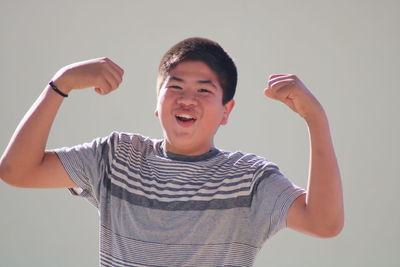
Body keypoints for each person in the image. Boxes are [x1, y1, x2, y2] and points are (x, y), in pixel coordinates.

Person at [0, 37, 344, 267]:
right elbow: (17, 171)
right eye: (175, 86)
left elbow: (324, 223)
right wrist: (60, 84)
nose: (187, 99)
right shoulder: (117, 157)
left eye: (204, 90)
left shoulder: (249, 179)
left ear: (227, 111)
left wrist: (316, 119)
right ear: (157, 103)